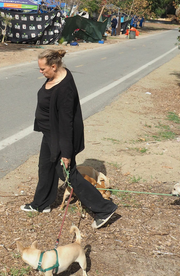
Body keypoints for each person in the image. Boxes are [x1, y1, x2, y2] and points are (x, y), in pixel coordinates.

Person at [20, 49, 118, 229]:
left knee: (68, 174)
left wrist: (66, 153)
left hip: (60, 137)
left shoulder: (65, 89)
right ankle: (41, 204)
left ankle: (104, 208)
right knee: (45, 167)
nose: (40, 72)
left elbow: (67, 123)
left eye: (43, 69)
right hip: (50, 133)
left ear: (54, 66)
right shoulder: (57, 76)